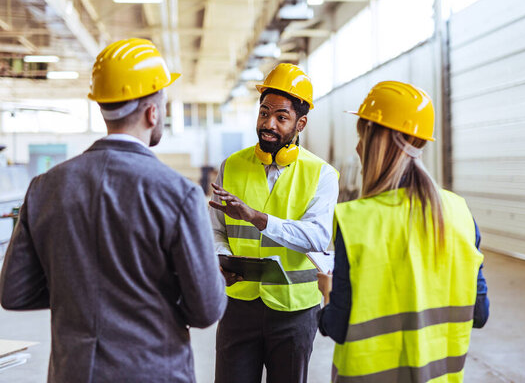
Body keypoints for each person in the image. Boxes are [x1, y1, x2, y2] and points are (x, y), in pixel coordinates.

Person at [0, 38, 227, 383]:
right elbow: (206, 310)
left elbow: (14, 293)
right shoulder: (177, 194)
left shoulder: (45, 187)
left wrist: (79, 291)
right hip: (154, 371)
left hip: (73, 372)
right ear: (153, 112)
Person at [317, 81, 490, 382]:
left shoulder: (355, 220)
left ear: (374, 139)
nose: (357, 147)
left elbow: (338, 326)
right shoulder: (460, 213)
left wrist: (326, 292)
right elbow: (480, 314)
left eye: (361, 136)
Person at [209, 63, 339, 383]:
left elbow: (318, 236)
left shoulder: (321, 174)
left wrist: (258, 219)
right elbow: (215, 229)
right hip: (238, 304)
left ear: (300, 123)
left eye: (281, 117)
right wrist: (222, 259)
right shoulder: (232, 166)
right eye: (264, 112)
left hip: (294, 311)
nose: (268, 124)